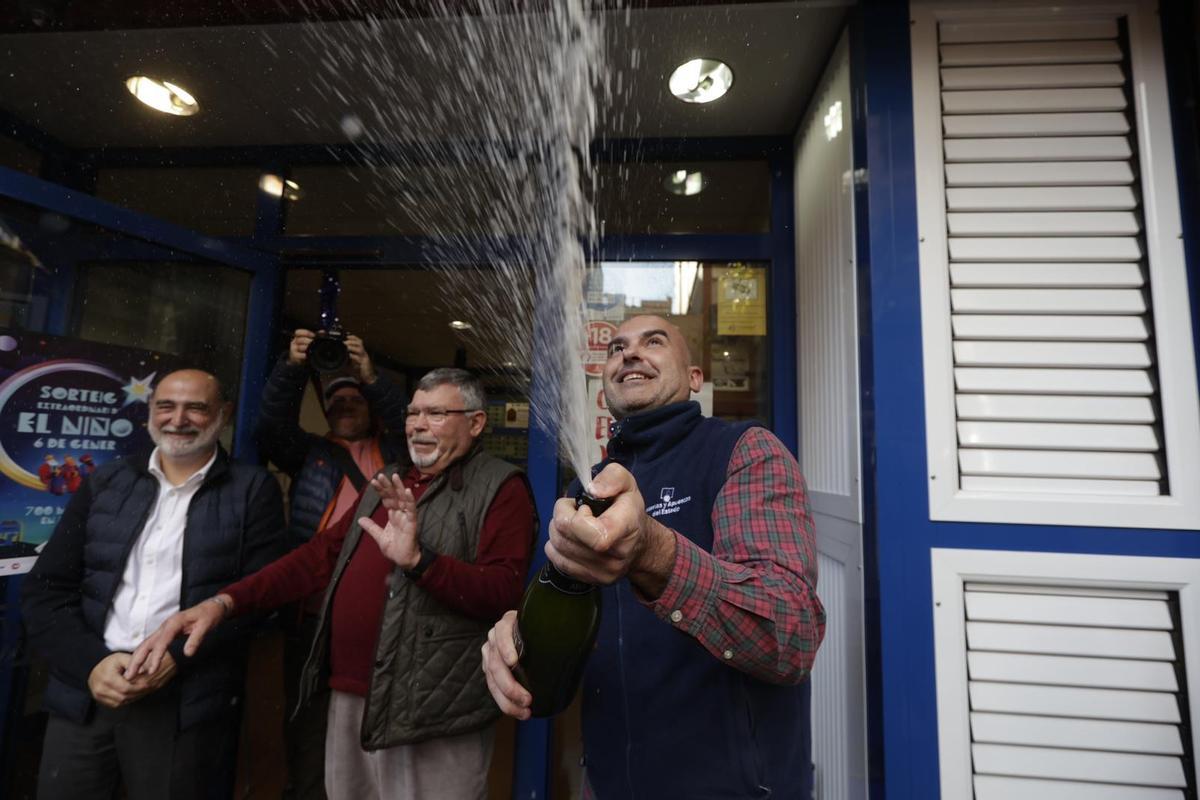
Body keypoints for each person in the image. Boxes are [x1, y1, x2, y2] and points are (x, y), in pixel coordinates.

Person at [128, 368, 537, 800]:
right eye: (414, 412)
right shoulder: (388, 483)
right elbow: (316, 558)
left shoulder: (501, 487)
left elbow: (502, 592)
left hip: (432, 709)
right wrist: (225, 602)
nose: (417, 424)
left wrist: (420, 561)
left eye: (436, 413)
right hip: (349, 694)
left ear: (475, 423)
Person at [481, 315, 827, 799]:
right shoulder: (588, 487)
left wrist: (651, 549)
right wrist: (514, 649)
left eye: (654, 342)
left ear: (694, 379)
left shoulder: (745, 452)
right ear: (605, 386)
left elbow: (791, 632)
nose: (630, 353)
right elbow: (569, 645)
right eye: (617, 348)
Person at [21, 368, 286, 800]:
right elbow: (46, 591)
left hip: (182, 702)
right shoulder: (105, 482)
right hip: (89, 692)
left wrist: (177, 658)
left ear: (223, 413)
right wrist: (91, 664)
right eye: (166, 405)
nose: (177, 418)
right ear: (150, 412)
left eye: (195, 407)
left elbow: (259, 601)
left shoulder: (253, 490)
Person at [257, 328, 409, 799]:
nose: (344, 407)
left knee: (380, 719)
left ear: (372, 408)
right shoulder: (310, 453)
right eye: (336, 402)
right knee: (308, 720)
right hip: (313, 613)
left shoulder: (399, 455)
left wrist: (371, 377)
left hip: (384, 614)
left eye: (354, 400)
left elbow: (408, 422)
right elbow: (270, 428)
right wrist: (292, 368)